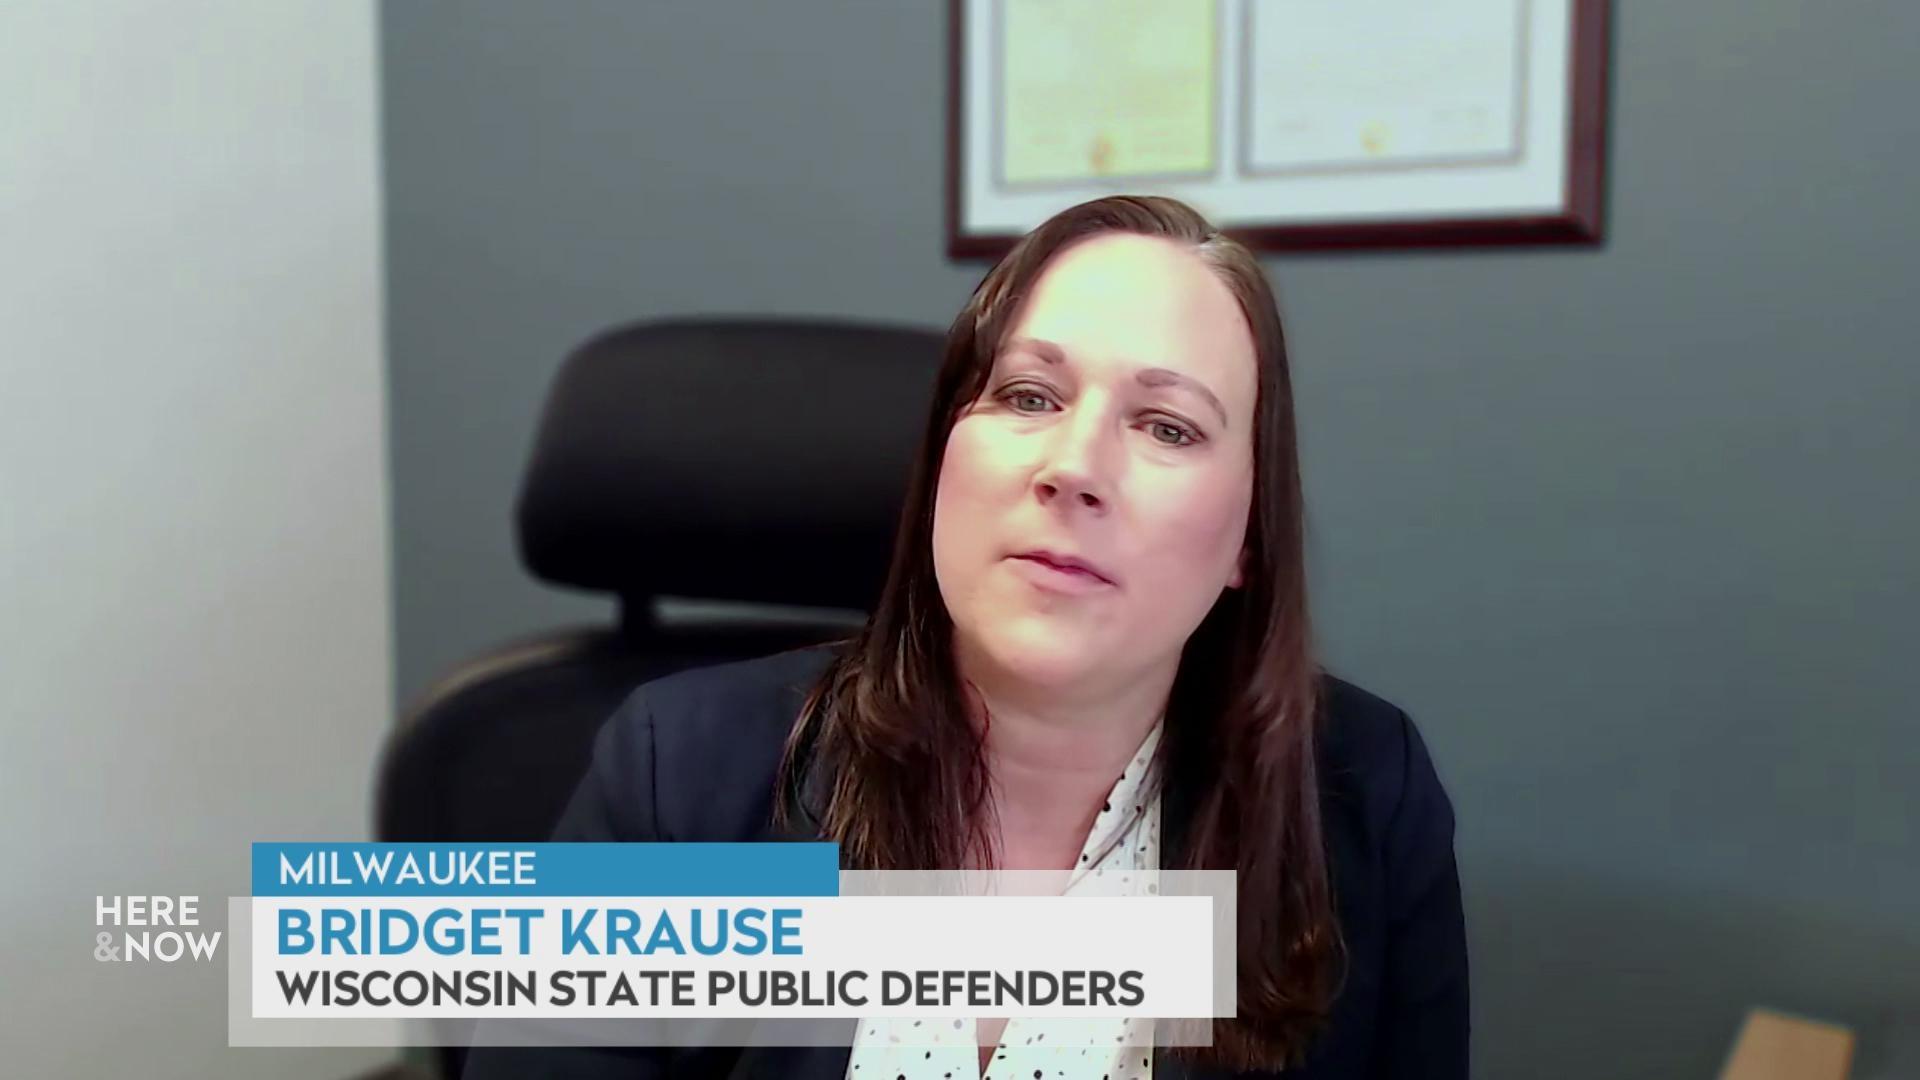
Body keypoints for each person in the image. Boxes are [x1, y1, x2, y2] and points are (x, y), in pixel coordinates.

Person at [464, 195, 1467, 1079]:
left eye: (1166, 426)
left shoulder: (1365, 798)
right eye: (1029, 396)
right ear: (945, 457)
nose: (1074, 465)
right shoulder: (676, 774)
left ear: (1248, 536)